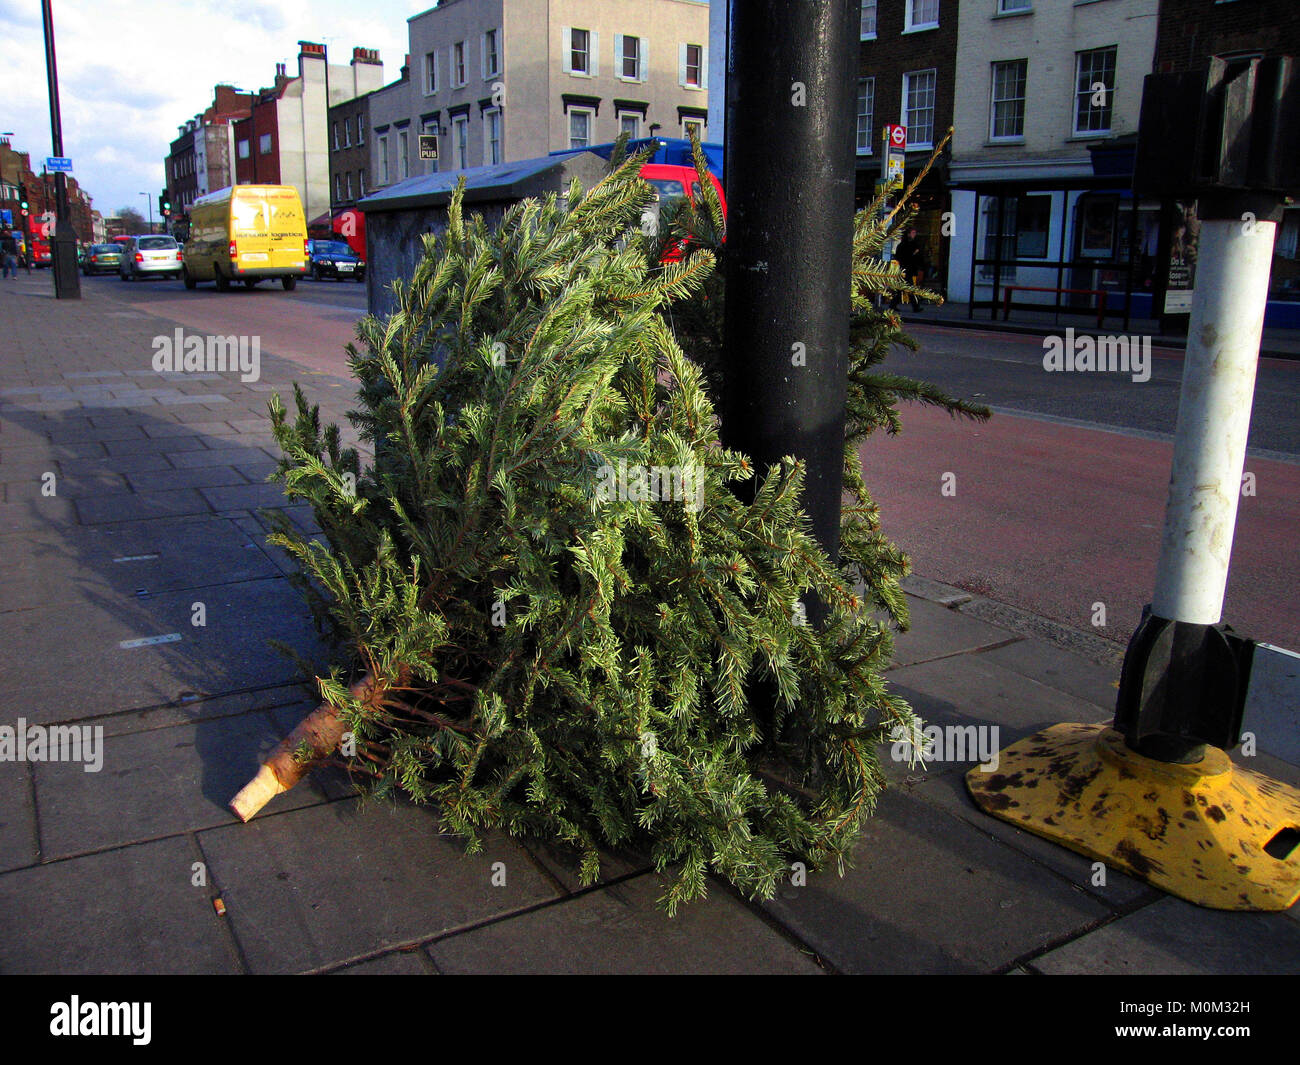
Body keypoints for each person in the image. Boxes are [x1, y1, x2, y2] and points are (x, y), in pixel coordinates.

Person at [891, 227, 929, 313]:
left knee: (902, 288)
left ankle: (893, 304)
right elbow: (903, 256)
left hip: (908, 268)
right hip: (906, 269)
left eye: (915, 232)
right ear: (908, 234)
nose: (914, 234)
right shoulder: (905, 245)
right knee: (909, 288)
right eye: (912, 232)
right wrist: (914, 254)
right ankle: (915, 307)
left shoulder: (911, 244)